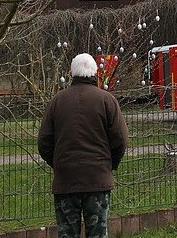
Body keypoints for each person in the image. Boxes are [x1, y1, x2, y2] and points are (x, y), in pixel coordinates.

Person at [38, 53, 128, 238]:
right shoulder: (107, 101)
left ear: (71, 73)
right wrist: (109, 164)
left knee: (67, 234)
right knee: (98, 233)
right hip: (98, 179)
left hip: (65, 180)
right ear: (95, 72)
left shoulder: (57, 101)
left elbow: (44, 142)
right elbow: (120, 139)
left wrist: (58, 164)